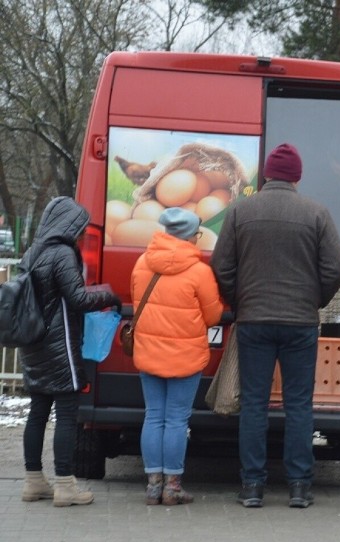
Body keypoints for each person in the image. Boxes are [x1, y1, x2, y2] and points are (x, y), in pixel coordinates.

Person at [211, 143, 340, 509]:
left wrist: (238, 300)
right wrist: (313, 299)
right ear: (298, 177)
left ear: (268, 174)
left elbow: (221, 264)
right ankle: (299, 487)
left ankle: (252, 486)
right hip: (300, 323)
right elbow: (337, 267)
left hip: (253, 320)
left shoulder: (240, 210)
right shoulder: (316, 213)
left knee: (254, 404)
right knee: (299, 405)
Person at [19, 196, 122, 506]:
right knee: (66, 415)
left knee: (37, 414)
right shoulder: (62, 254)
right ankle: (65, 484)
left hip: (33, 343)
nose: (80, 232)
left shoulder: (32, 252)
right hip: (59, 345)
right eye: (78, 225)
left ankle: (33, 481)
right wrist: (108, 293)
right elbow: (77, 298)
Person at [130, 208, 224, 505]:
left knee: (154, 416)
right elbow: (212, 316)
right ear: (189, 236)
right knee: (176, 420)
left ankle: (153, 486)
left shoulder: (142, 263)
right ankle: (172, 488)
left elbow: (135, 302)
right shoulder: (199, 271)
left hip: (148, 352)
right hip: (186, 356)